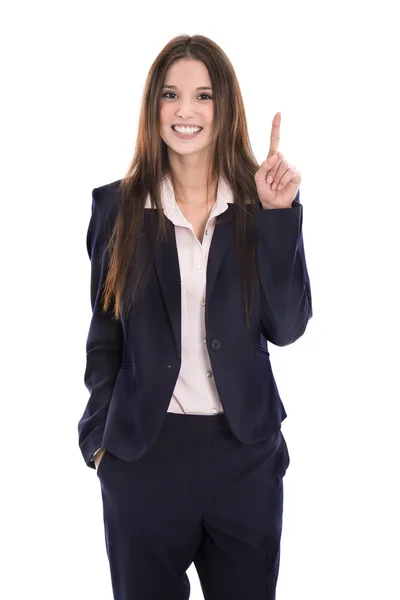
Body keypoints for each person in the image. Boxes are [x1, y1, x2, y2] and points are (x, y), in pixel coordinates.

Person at [78, 33, 313, 600]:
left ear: (224, 107)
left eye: (203, 95)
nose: (186, 110)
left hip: (244, 457)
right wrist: (99, 440)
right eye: (170, 94)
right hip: (143, 457)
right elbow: (105, 334)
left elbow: (288, 327)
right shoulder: (118, 208)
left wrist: (279, 217)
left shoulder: (260, 208)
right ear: (152, 107)